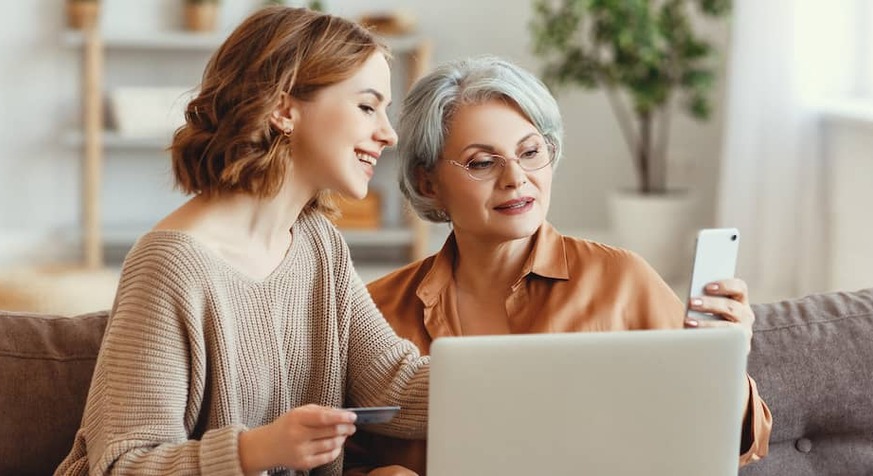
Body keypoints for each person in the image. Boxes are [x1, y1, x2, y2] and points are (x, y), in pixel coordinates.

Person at [343, 56, 772, 475]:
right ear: (427, 182)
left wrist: (728, 362)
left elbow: (731, 442)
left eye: (530, 152)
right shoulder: (375, 312)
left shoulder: (622, 281)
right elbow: (336, 457)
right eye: (482, 162)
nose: (516, 177)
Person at [56, 7, 429, 475]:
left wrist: (528, 377)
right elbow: (120, 466)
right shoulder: (170, 265)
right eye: (367, 106)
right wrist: (256, 451)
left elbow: (395, 385)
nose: (388, 134)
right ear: (284, 108)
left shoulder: (319, 245)